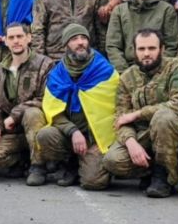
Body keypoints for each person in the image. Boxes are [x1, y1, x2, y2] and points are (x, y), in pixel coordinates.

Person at [101, 30, 178, 197]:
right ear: (134, 51)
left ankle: (163, 177)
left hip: (173, 134)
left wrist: (138, 114)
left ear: (162, 49)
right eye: (141, 49)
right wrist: (130, 141)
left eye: (152, 48)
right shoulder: (127, 77)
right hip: (144, 135)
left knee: (163, 117)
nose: (146, 53)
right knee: (112, 161)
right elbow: (121, 117)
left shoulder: (176, 67)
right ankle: (148, 172)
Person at [35, 24, 118, 189]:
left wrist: (91, 137)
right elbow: (53, 112)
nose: (80, 42)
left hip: (95, 137)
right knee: (45, 135)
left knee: (93, 182)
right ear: (66, 45)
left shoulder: (105, 70)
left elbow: (114, 110)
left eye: (83, 38)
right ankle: (70, 163)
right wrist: (73, 132)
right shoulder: (57, 74)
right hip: (70, 134)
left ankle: (92, 161)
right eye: (74, 39)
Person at [0, 22, 54, 184]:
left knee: (32, 113)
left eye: (20, 36)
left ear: (29, 38)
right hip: (13, 132)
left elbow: (45, 100)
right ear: (5, 41)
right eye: (11, 37)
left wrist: (14, 116)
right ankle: (20, 160)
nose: (16, 41)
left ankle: (38, 165)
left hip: (38, 127)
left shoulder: (45, 64)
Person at [104, 0, 178, 72]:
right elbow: (113, 46)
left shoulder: (166, 10)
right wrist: (125, 72)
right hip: (127, 71)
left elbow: (172, 46)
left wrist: (158, 71)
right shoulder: (119, 11)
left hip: (159, 71)